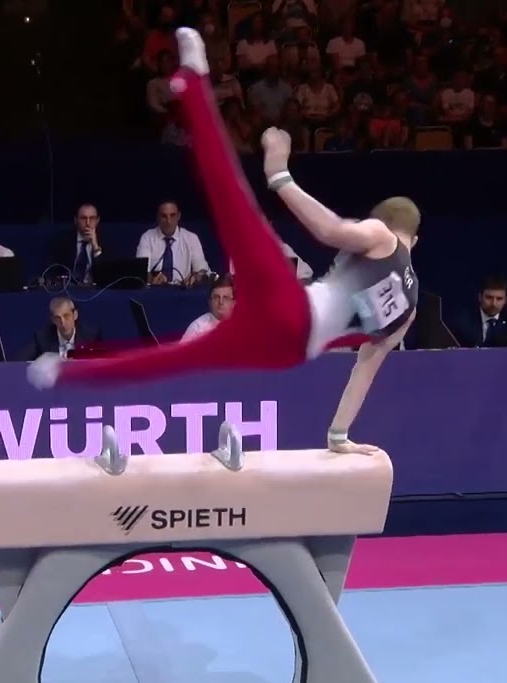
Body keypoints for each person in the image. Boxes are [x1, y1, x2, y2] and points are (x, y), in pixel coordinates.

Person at [27, 28, 419, 455]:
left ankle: (196, 81)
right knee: (176, 359)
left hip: (290, 312)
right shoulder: (408, 314)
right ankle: (63, 374)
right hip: (287, 351)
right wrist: (338, 436)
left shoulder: (380, 235)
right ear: (414, 237)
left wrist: (280, 174)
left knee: (230, 197)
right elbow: (364, 371)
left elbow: (328, 231)